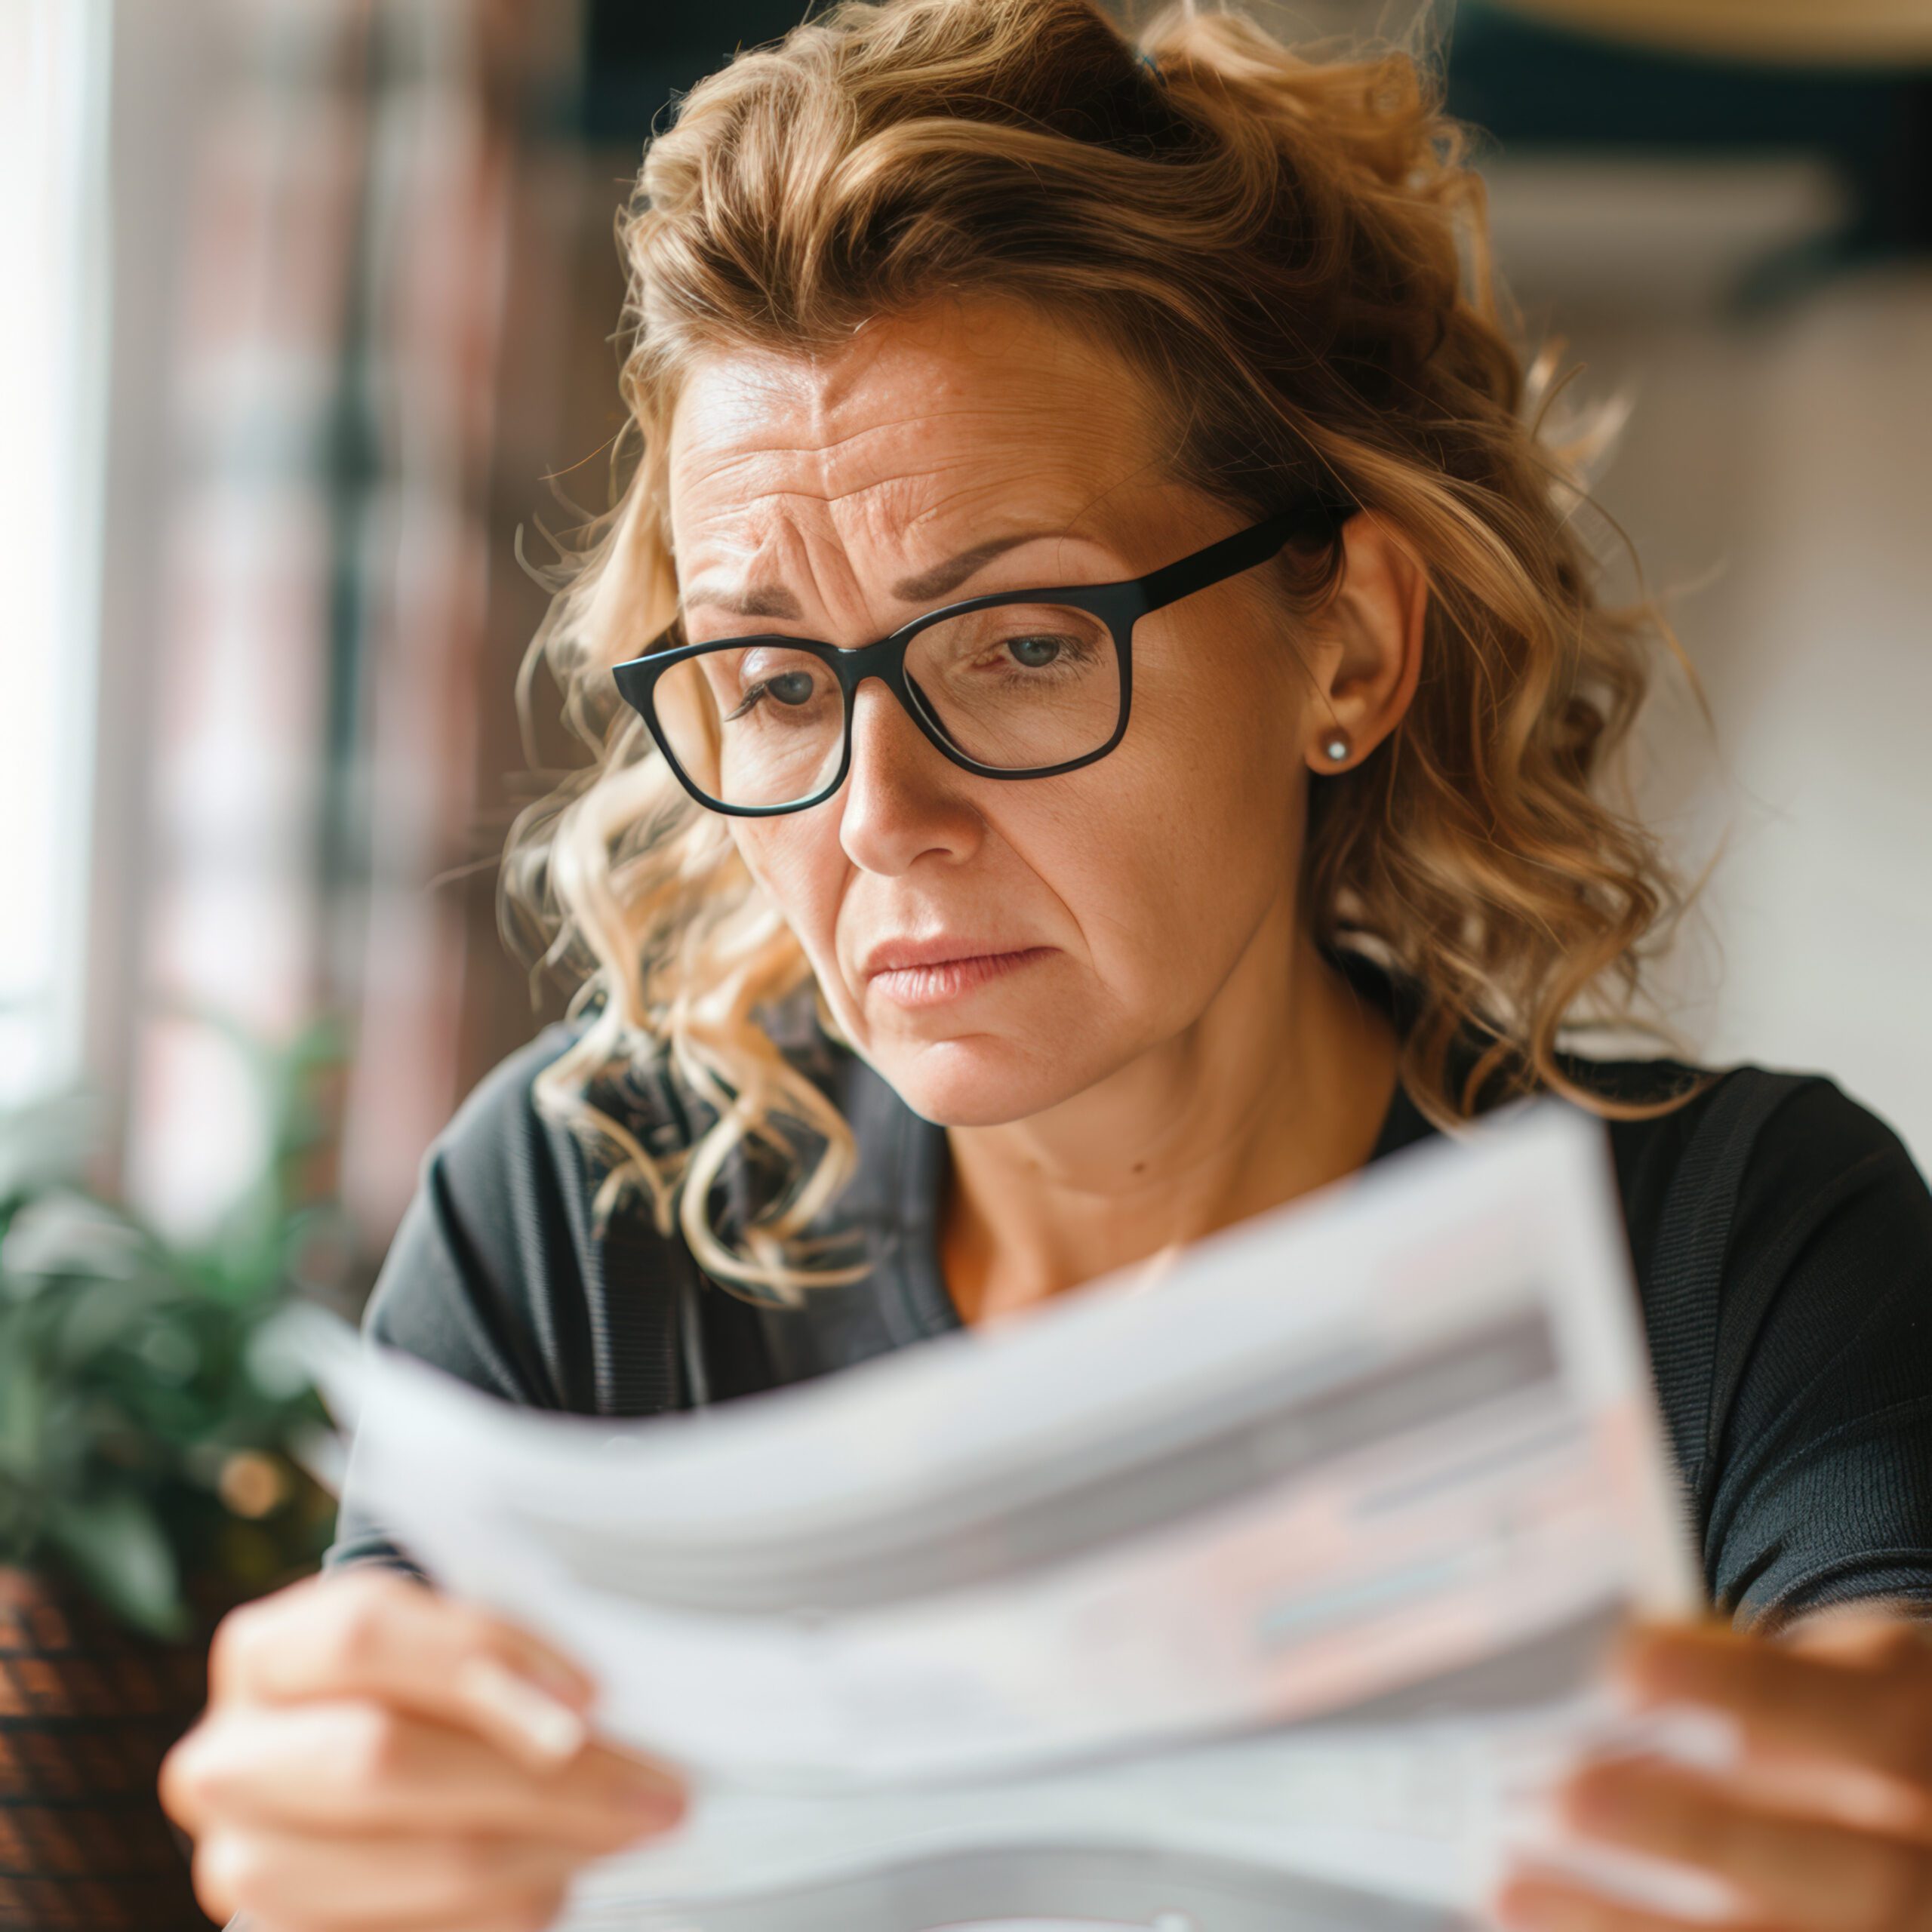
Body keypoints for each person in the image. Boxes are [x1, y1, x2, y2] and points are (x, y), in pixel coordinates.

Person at [159, 0, 1932, 1927]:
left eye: (1016, 642)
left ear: (1341, 645)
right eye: (770, 679)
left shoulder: (1738, 1250)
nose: (876, 813)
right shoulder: (588, 1219)